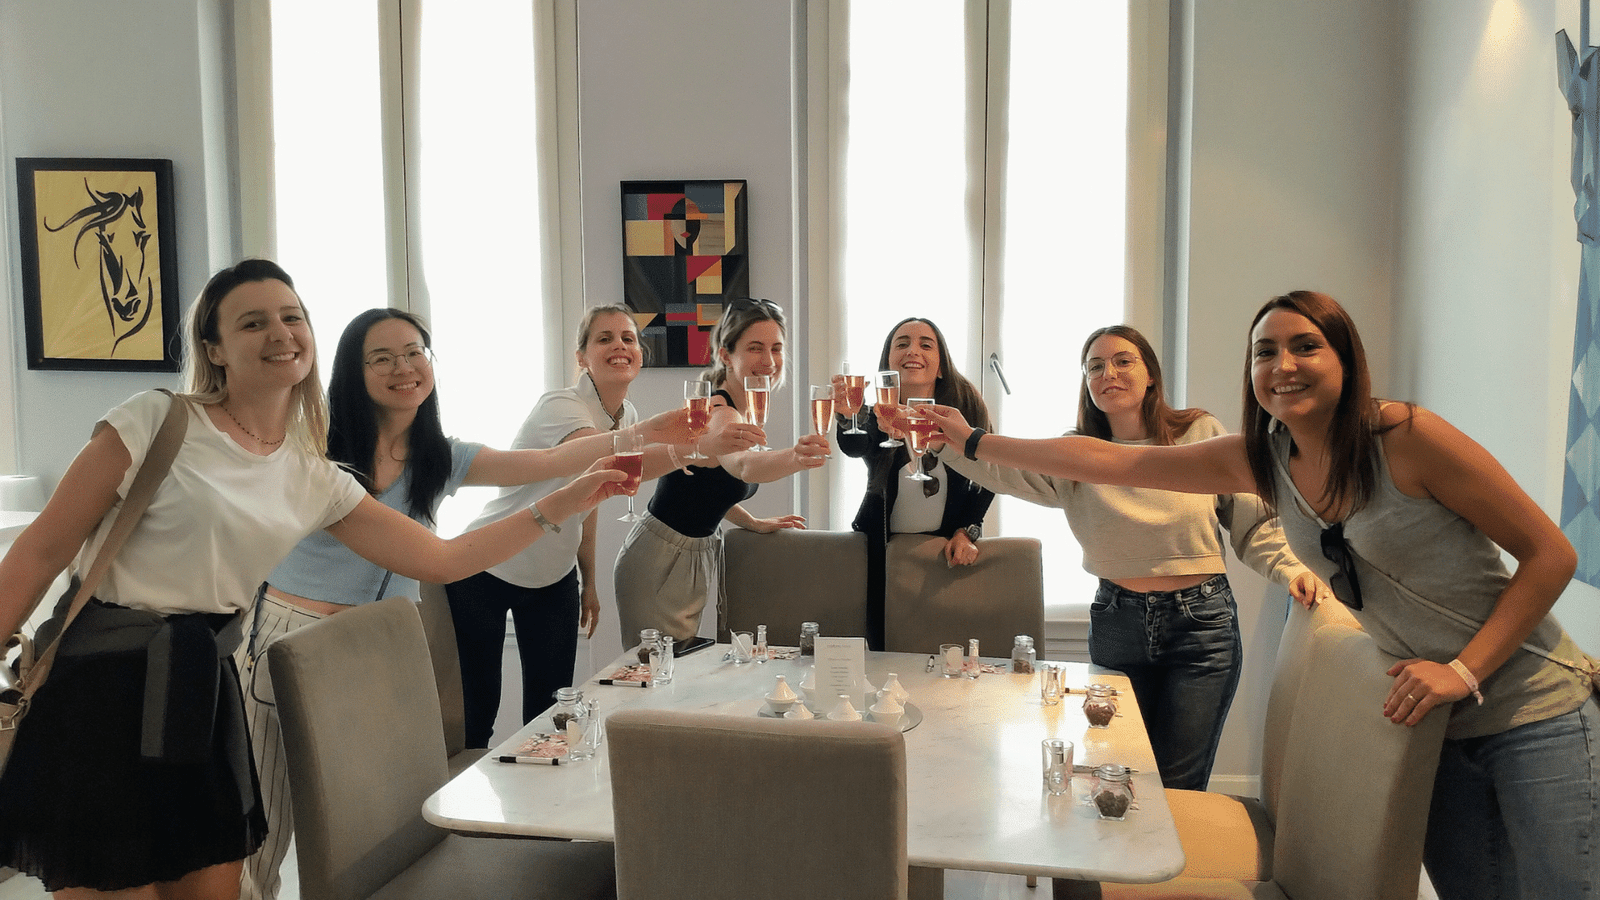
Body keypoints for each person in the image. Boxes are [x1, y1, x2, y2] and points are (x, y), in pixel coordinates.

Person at [924, 290, 1598, 899]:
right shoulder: (1263, 458)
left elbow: (1552, 555)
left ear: (1346, 358)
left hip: (1533, 705)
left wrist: (1463, 671)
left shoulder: (1406, 437)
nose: (1284, 365)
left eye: (1306, 346)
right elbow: (1119, 461)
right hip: (1436, 723)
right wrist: (973, 439)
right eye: (1265, 351)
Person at [0, 260, 629, 899]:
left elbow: (442, 560)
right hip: (105, 686)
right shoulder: (157, 420)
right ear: (214, 348)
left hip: (203, 686)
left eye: (291, 317)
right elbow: (39, 551)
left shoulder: (311, 473)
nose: (280, 333)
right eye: (253, 322)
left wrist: (569, 498)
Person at [237, 307, 696, 900]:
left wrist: (671, 442)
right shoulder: (318, 454)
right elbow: (442, 561)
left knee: (377, 826)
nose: (404, 367)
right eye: (382, 358)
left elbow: (551, 463)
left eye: (415, 352)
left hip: (380, 645)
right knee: (264, 830)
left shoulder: (438, 455)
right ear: (353, 371)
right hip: (294, 636)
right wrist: (585, 485)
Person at [943, 324, 1319, 790]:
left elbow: (1254, 520)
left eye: (1123, 361)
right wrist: (939, 441)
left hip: (1201, 626)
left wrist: (1290, 568)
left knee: (1179, 784)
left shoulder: (1198, 433)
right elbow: (999, 470)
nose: (1108, 373)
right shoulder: (1074, 455)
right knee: (1117, 773)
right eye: (1095, 366)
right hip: (1117, 620)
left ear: (1151, 375)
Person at [445, 305, 726, 749]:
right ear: (582, 357)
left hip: (553, 577)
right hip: (486, 568)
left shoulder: (627, 416)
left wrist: (588, 580)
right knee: (476, 715)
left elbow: (590, 498)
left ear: (640, 354)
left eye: (629, 338)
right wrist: (690, 449)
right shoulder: (560, 405)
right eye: (604, 338)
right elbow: (599, 459)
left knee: (550, 714)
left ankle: (539, 792)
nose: (620, 346)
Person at [613, 297, 829, 646]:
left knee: (675, 669)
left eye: (776, 348)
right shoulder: (719, 411)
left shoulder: (739, 410)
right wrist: (796, 457)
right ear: (726, 355)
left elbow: (710, 487)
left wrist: (752, 522)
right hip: (660, 559)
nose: (769, 360)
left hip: (685, 556)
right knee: (657, 670)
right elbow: (743, 465)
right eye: (755, 348)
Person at [833, 317, 995, 650]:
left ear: (941, 366)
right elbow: (855, 445)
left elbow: (991, 477)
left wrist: (967, 531)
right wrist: (847, 416)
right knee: (882, 650)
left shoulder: (964, 410)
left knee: (943, 651)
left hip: (943, 557)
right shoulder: (877, 414)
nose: (913, 351)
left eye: (925, 344)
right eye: (902, 343)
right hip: (882, 555)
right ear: (888, 363)